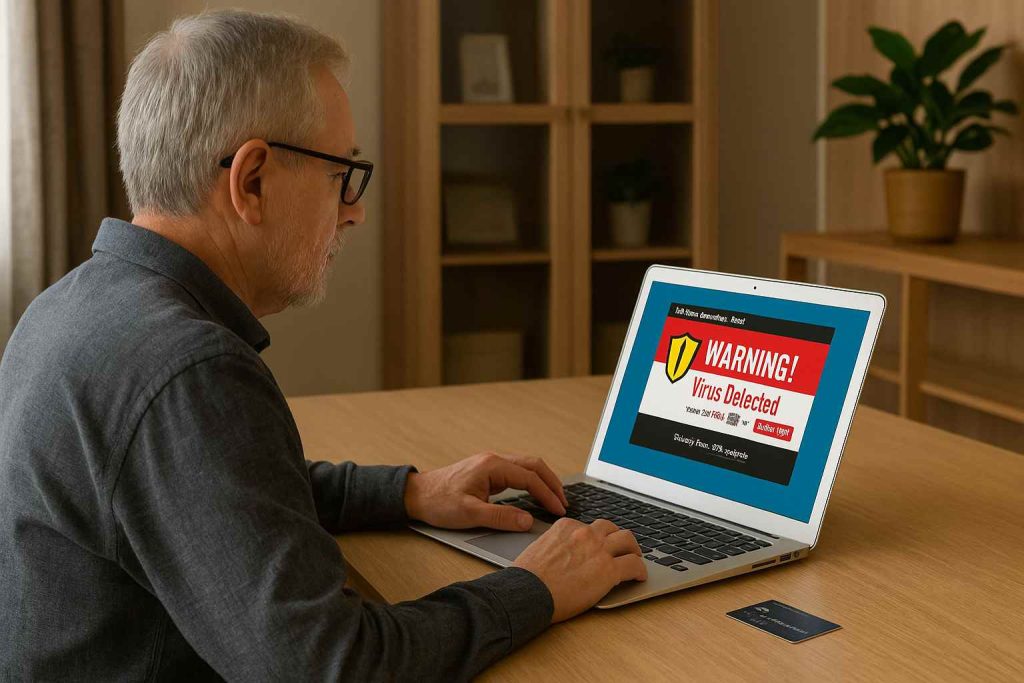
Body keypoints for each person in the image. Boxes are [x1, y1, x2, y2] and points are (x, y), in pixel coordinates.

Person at [0, 9, 646, 681]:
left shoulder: (70, 306)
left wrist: (409, 492)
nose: (355, 208)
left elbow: (231, 493)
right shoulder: (187, 369)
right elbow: (333, 666)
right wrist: (536, 586)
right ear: (250, 180)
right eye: (342, 172)